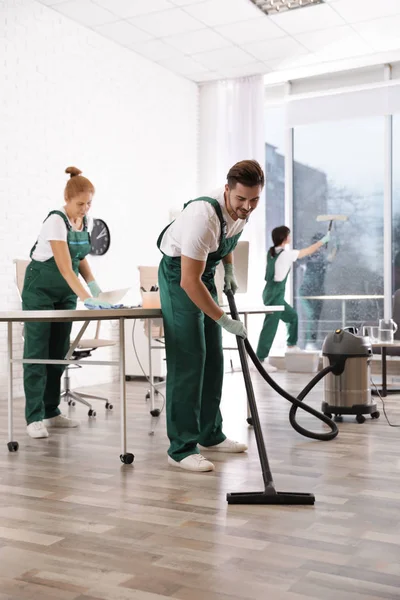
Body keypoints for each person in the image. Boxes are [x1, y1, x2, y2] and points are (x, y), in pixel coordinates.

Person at [157, 160, 264, 472]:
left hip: (204, 274)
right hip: (180, 275)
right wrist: (223, 319)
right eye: (241, 199)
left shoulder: (243, 208)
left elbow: (227, 237)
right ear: (227, 190)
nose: (247, 206)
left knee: (213, 358)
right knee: (190, 357)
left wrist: (229, 267)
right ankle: (180, 448)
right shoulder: (203, 216)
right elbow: (189, 280)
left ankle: (210, 434)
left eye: (254, 200)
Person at [22, 166, 113, 439]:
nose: (85, 208)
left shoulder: (84, 221)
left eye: (88, 203)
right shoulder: (55, 221)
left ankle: (51, 411)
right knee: (38, 354)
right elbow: (64, 266)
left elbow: (79, 256)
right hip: (40, 291)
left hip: (65, 293)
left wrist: (95, 285)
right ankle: (34, 417)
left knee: (59, 352)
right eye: (80, 203)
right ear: (67, 198)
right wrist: (88, 298)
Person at [256, 225, 330, 369]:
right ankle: (260, 360)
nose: (290, 237)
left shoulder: (272, 252)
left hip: (271, 293)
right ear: (284, 238)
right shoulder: (286, 254)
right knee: (270, 327)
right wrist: (323, 241)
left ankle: (291, 345)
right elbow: (308, 251)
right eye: (288, 235)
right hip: (274, 294)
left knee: (292, 317)